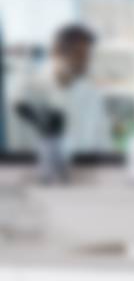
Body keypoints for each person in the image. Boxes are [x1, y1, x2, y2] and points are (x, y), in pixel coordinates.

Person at [12, 24, 106, 180]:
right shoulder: (30, 86)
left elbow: (97, 141)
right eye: (79, 54)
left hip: (82, 172)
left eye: (87, 56)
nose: (86, 61)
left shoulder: (86, 91)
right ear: (58, 51)